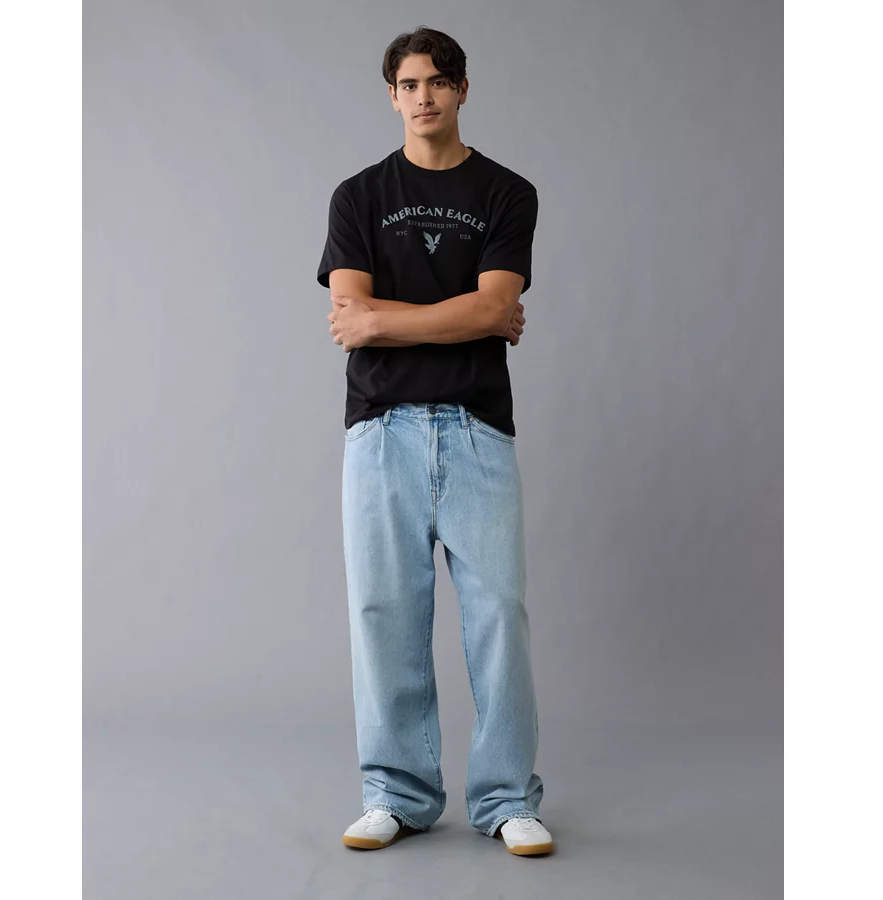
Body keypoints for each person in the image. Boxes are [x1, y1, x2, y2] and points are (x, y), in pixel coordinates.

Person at [316, 26, 552, 857]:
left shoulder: (507, 192)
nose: (424, 97)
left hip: (476, 427)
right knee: (383, 614)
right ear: (392, 96)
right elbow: (351, 315)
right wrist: (467, 316)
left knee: (499, 615)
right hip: (381, 430)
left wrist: (390, 319)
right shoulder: (357, 196)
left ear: (462, 90)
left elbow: (491, 306)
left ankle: (508, 798)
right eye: (410, 84)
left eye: (438, 82)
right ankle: (397, 795)